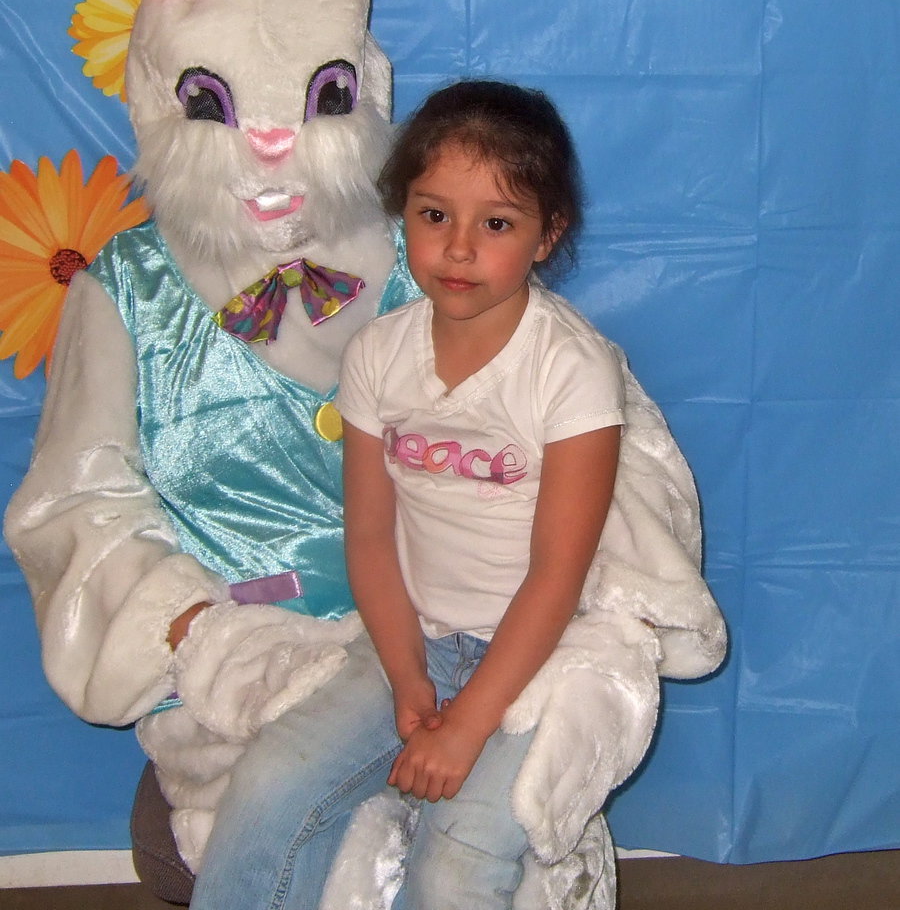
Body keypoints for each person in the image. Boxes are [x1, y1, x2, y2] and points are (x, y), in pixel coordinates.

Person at [190, 79, 629, 910]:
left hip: (541, 653)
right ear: (403, 217)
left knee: (458, 860)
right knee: (268, 785)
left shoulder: (572, 371)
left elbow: (556, 575)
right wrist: (404, 678)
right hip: (412, 637)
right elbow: (369, 540)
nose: (459, 248)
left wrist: (466, 727)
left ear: (547, 236)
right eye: (434, 216)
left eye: (496, 224)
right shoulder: (377, 357)